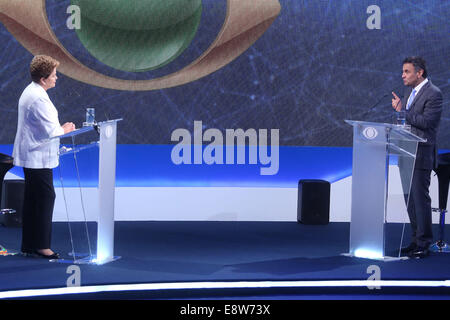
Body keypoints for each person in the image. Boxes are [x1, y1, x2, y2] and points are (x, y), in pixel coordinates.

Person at [12, 55, 76, 259]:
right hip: (36, 156)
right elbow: (52, 131)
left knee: (34, 199)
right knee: (45, 197)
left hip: (33, 154)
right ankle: (41, 245)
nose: (56, 78)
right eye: (54, 75)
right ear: (43, 78)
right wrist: (65, 129)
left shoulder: (33, 91)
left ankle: (30, 244)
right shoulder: (38, 97)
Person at [391, 56, 443, 258]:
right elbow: (407, 121)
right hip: (405, 151)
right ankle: (414, 240)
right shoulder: (408, 93)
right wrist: (400, 114)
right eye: (403, 71)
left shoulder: (434, 94)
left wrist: (402, 110)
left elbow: (428, 122)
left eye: (407, 71)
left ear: (419, 73)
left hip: (421, 153)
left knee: (420, 199)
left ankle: (424, 243)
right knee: (410, 200)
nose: (403, 75)